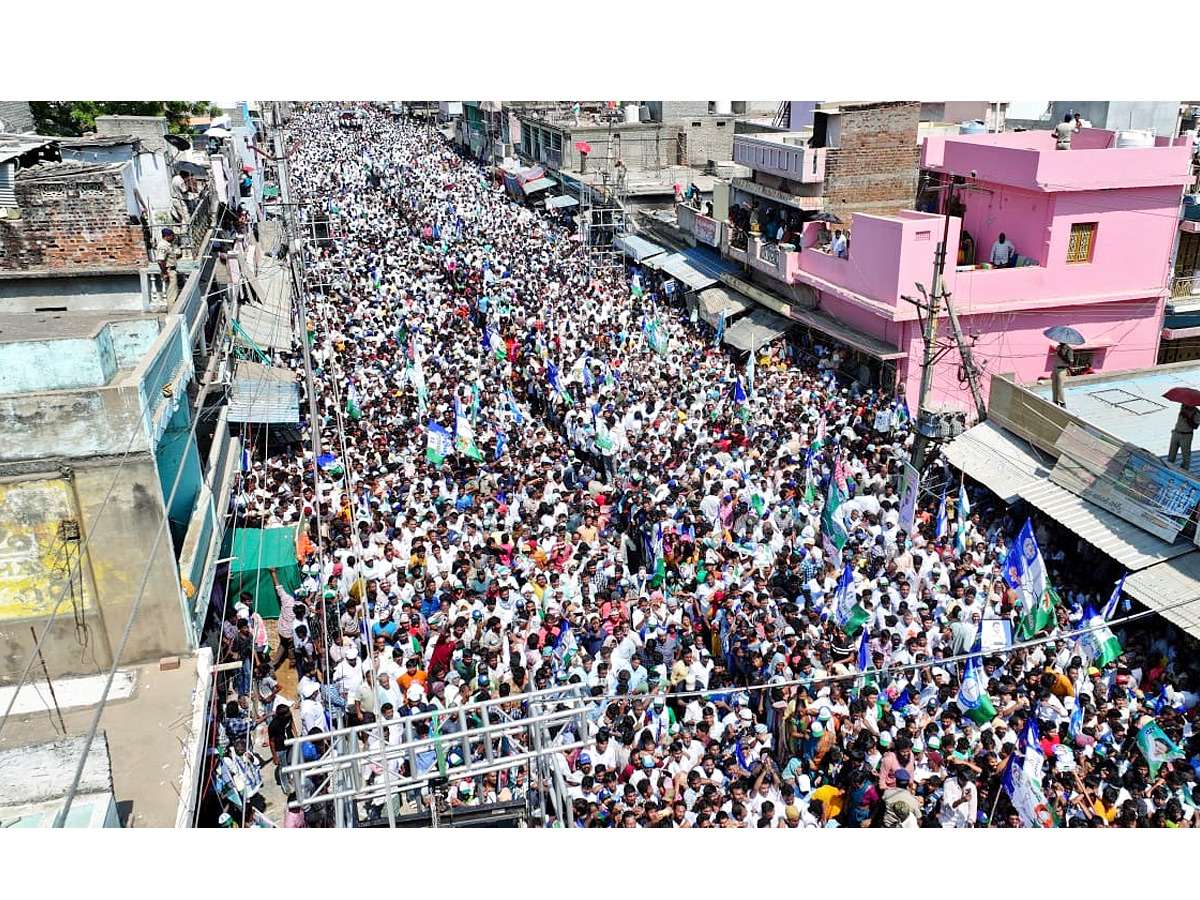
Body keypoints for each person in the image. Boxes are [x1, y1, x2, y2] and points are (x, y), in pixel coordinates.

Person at [155, 227, 181, 306]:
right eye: (172, 236)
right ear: (167, 236)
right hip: (169, 271)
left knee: (173, 293)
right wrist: (165, 273)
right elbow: (160, 261)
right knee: (172, 295)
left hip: (171, 270)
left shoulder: (169, 245)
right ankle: (172, 314)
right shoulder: (164, 246)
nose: (173, 237)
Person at [1168, 404, 1200, 470]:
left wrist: (1187, 418)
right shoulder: (1183, 407)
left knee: (1186, 456)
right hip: (1176, 433)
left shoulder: (1196, 412)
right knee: (1171, 454)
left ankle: (1184, 471)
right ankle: (1168, 468)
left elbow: (1195, 426)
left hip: (1186, 436)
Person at [1052, 342, 1074, 408]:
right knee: (1054, 386)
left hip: (1062, 369)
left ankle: (1062, 402)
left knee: (1060, 387)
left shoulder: (1069, 350)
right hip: (1055, 368)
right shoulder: (1058, 347)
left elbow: (1070, 361)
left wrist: (1061, 355)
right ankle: (1055, 401)